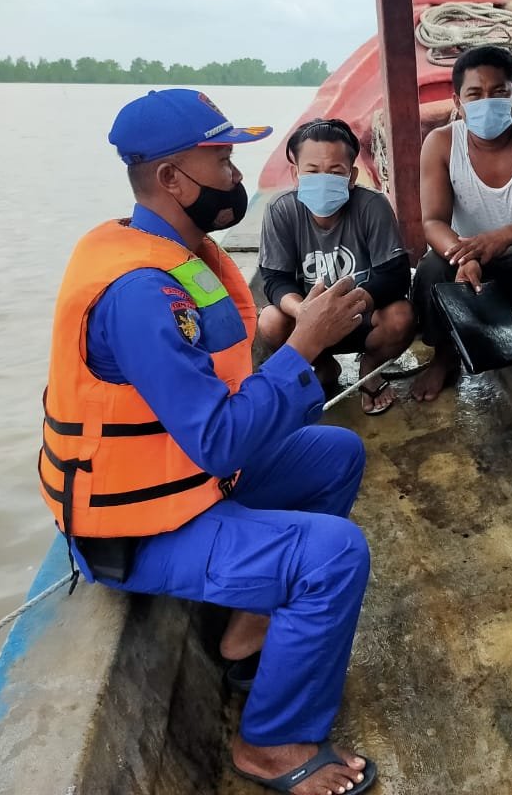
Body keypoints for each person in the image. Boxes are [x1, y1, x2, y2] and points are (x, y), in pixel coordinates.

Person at [39, 88, 378, 794]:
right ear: (171, 179)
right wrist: (304, 345)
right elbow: (220, 438)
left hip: (187, 485)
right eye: (220, 162)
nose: (236, 180)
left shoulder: (181, 254)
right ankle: (272, 744)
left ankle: (246, 629)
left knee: (335, 453)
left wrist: (294, 351)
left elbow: (222, 385)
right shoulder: (138, 290)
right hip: (135, 528)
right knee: (334, 555)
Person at [410, 44, 512, 401]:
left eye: (500, 91)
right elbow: (433, 222)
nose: (488, 101)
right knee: (429, 268)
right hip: (471, 266)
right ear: (457, 101)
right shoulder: (440, 143)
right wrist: (462, 255)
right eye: (475, 94)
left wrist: (506, 236)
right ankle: (444, 354)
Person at [258, 118, 415, 415]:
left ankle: (370, 368)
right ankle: (321, 366)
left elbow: (394, 274)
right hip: (307, 321)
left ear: (352, 175)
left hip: (361, 317)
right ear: (296, 174)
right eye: (312, 171)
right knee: (269, 320)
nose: (323, 179)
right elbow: (274, 279)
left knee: (401, 316)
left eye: (335, 171)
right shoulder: (281, 211)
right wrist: (303, 311)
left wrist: (347, 306)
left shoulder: (372, 206)